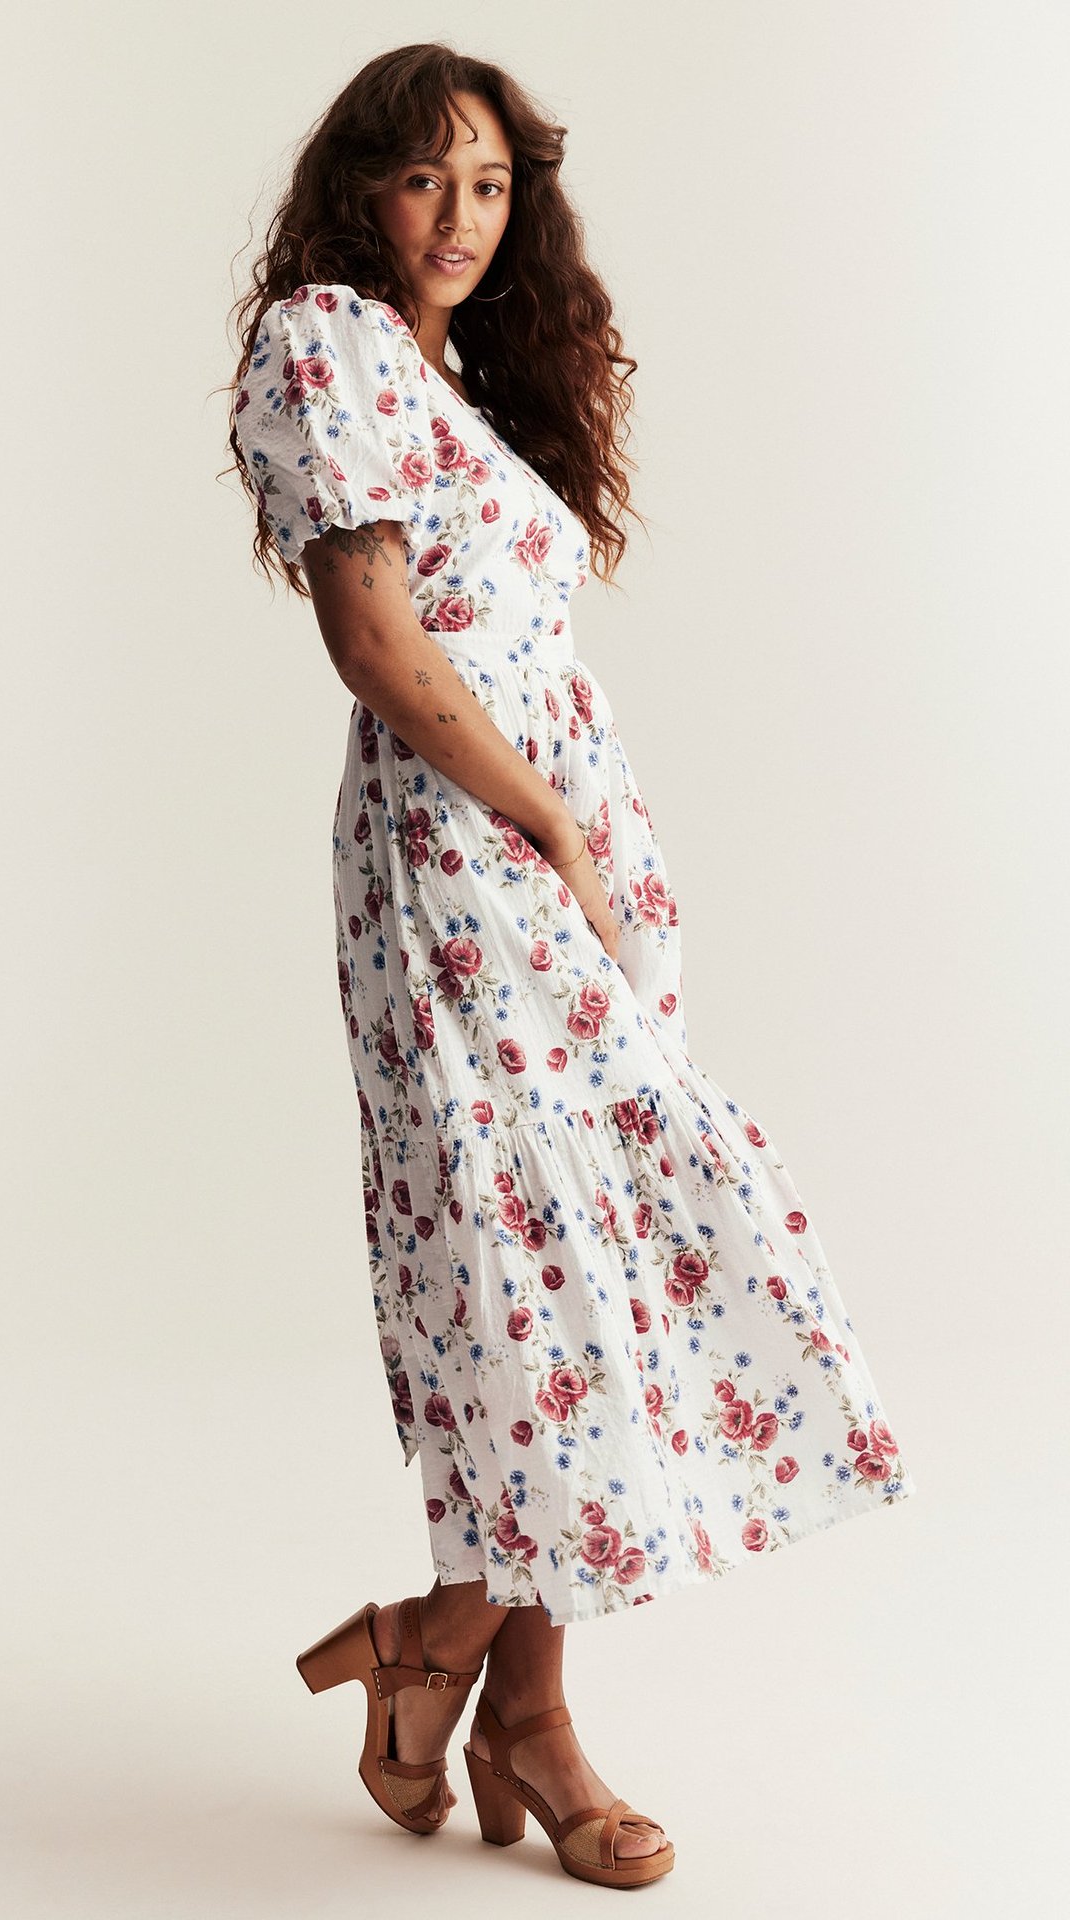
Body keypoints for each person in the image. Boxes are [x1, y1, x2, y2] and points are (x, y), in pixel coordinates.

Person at [227, 43, 915, 1890]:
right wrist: (544, 823)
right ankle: (476, 1672)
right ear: (356, 190)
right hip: (467, 860)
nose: (459, 220)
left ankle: (473, 1675)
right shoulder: (326, 345)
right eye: (424, 180)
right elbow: (375, 643)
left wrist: (591, 849)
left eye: (491, 186)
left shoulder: (459, 377)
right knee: (525, 1274)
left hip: (560, 862)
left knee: (588, 1270)